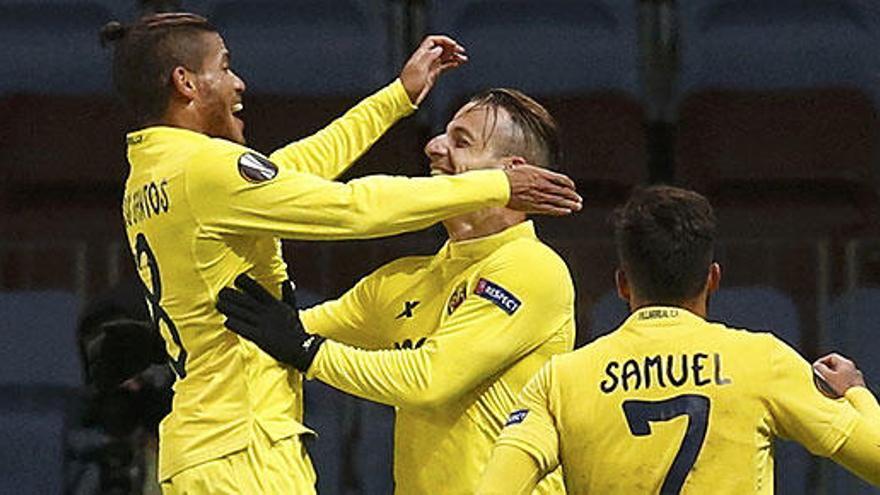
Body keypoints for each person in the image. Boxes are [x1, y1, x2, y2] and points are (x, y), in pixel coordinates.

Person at [98, 11, 582, 495]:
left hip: (213, 447)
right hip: (241, 448)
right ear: (185, 82)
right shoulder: (206, 171)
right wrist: (496, 185)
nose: (238, 82)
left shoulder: (156, 174)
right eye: (224, 68)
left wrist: (397, 98)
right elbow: (354, 210)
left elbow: (296, 182)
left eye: (460, 140)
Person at [216, 89, 575, 494]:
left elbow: (428, 380)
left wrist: (306, 351)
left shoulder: (531, 268)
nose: (434, 146)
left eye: (461, 141)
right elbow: (274, 332)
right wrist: (156, 341)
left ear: (510, 173)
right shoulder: (403, 280)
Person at [474, 186, 880, 494]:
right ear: (713, 278)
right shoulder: (761, 359)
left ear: (621, 284)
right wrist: (857, 393)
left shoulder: (559, 380)